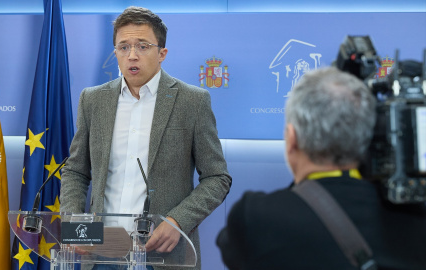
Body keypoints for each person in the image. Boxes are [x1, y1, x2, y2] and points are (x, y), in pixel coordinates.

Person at [60, 6, 232, 270]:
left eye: (142, 46)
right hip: (101, 252)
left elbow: (217, 178)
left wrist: (177, 221)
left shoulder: (192, 101)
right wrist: (73, 220)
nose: (132, 55)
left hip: (163, 255)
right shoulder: (93, 100)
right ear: (115, 52)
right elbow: (76, 171)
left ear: (162, 53)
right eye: (123, 47)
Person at [216, 67, 426, 269]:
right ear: (366, 137)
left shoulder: (256, 218)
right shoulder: (414, 218)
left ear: (292, 139)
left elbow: (230, 248)